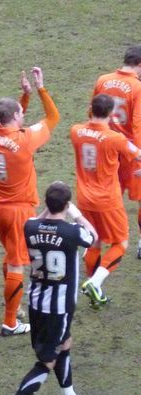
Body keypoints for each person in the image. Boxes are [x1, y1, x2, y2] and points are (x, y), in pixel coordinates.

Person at [0, 183, 99, 395]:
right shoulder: (72, 231)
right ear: (66, 204)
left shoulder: (30, 226)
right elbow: (93, 237)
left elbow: (37, 219)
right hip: (59, 306)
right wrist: (76, 213)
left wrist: (51, 211)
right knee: (47, 361)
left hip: (37, 301)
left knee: (65, 343)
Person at [0, 67, 59, 336]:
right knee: (17, 262)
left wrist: (23, 97)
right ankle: (10, 322)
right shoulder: (25, 140)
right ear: (16, 117)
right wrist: (40, 88)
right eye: (20, 113)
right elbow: (53, 117)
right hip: (18, 210)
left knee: (10, 254)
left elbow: (13, 119)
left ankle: (13, 306)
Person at [71, 94, 141, 308]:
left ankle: (95, 290)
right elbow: (137, 155)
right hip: (108, 201)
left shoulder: (75, 131)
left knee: (94, 243)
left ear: (90, 109)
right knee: (120, 243)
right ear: (111, 114)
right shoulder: (115, 138)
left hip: (84, 199)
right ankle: (95, 281)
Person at [92, 45, 141, 256]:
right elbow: (138, 125)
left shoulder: (103, 80)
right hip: (129, 149)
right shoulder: (138, 88)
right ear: (139, 66)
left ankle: (95, 241)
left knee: (108, 194)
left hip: (106, 147)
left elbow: (93, 112)